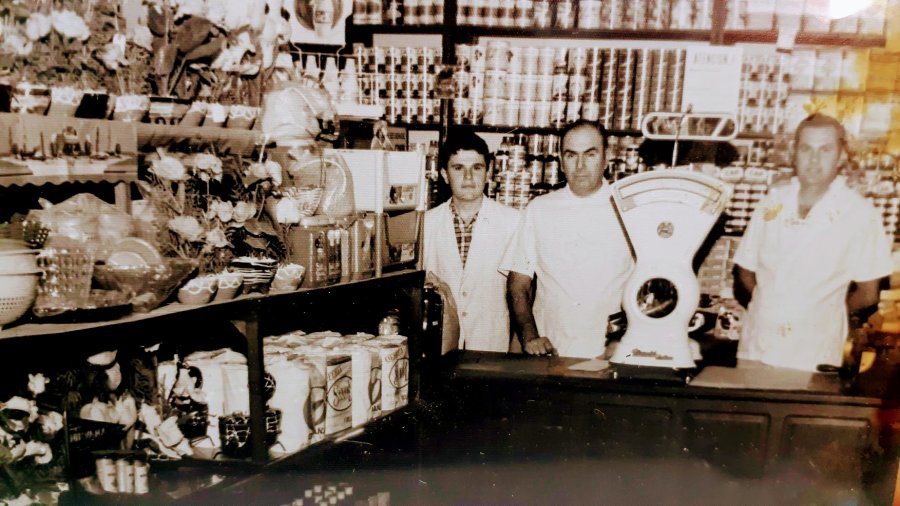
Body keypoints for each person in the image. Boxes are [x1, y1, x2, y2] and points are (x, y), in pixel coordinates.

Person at [733, 113, 892, 372]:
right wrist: (774, 304)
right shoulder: (772, 202)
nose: (814, 160)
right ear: (794, 153)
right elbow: (745, 270)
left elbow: (868, 293)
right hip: (757, 346)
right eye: (806, 149)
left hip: (815, 352)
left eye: (825, 150)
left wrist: (818, 313)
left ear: (842, 156)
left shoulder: (860, 213)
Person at [500, 121, 634, 358]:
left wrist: (623, 339)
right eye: (571, 155)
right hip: (551, 351)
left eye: (590, 154)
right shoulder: (539, 209)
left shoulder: (630, 211)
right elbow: (518, 282)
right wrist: (530, 337)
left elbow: (648, 286)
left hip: (610, 353)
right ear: (561, 162)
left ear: (606, 158)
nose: (580, 166)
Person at [424, 131, 522, 353]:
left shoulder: (514, 222)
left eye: (477, 168)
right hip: (439, 346)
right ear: (444, 174)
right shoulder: (426, 223)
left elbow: (524, 293)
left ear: (488, 173)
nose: (468, 177)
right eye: (458, 168)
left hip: (492, 345)